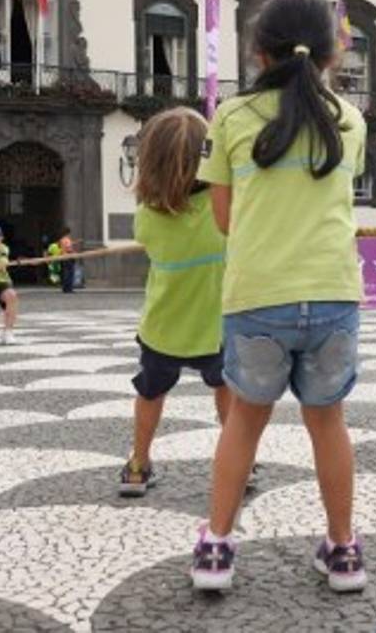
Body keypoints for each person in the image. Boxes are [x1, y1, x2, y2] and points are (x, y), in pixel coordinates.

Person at [193, 0, 368, 593]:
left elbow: (224, 219)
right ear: (329, 54)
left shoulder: (232, 117)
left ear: (258, 52)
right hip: (333, 292)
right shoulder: (350, 120)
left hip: (258, 294)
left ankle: (216, 548)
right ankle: (343, 550)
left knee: (244, 420)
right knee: (329, 422)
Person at [120, 107, 235, 497]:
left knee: (150, 392)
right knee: (227, 390)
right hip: (216, 325)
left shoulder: (146, 217)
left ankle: (138, 465)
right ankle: (239, 461)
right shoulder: (224, 208)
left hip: (162, 326)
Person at [56, 227, 79, 294]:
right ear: (67, 233)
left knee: (66, 272)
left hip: (64, 256)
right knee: (69, 273)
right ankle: (68, 288)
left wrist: (75, 243)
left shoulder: (62, 239)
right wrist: (73, 252)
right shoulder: (66, 239)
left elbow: (63, 246)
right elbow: (68, 248)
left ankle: (65, 288)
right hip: (68, 257)